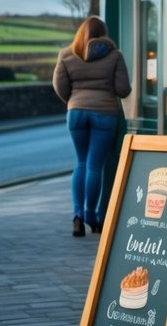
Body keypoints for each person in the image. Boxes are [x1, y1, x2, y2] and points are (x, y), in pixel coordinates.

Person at [53, 16, 131, 238]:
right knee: (95, 166)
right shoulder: (115, 55)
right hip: (105, 114)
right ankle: (92, 216)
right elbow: (124, 89)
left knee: (81, 163)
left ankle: (77, 217)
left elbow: (59, 87)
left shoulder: (66, 55)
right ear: (103, 33)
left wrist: (75, 100)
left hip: (76, 113)